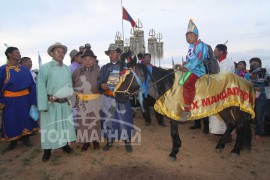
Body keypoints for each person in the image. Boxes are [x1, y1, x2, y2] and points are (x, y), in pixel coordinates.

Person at [37, 42, 76, 162]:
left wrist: (71, 99)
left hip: (64, 103)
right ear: (52, 54)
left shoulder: (66, 69)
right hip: (51, 104)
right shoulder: (45, 68)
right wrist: (43, 105)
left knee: (64, 126)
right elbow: (40, 87)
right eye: (57, 51)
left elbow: (70, 86)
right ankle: (47, 151)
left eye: (62, 52)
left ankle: (65, 146)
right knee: (49, 128)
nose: (61, 54)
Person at [0, 47, 39, 150]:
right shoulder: (3, 69)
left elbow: (31, 86)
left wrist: (32, 100)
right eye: (17, 53)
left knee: (25, 118)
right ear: (10, 54)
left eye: (19, 52)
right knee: (11, 120)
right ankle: (13, 141)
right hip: (10, 100)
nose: (19, 54)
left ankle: (26, 139)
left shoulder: (25, 69)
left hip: (25, 99)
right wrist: (1, 101)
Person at [97, 44, 133, 153]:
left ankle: (127, 142)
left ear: (118, 54)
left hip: (122, 99)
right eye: (110, 53)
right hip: (108, 98)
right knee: (109, 120)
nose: (111, 55)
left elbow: (131, 82)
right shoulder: (105, 67)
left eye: (113, 52)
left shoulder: (126, 67)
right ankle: (109, 141)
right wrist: (101, 84)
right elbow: (99, 80)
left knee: (125, 119)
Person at [178, 19, 208, 121]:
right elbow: (189, 60)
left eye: (190, 35)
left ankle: (187, 110)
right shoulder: (190, 46)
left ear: (196, 36)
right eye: (186, 36)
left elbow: (199, 59)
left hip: (197, 70)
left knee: (187, 83)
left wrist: (187, 67)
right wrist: (183, 65)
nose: (187, 37)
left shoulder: (200, 45)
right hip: (189, 69)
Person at [72, 49, 101, 151]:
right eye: (85, 59)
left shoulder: (99, 71)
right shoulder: (76, 72)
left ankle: (96, 141)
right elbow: (72, 86)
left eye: (90, 59)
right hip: (81, 102)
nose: (88, 61)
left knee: (95, 122)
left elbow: (103, 87)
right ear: (82, 60)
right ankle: (86, 142)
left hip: (95, 101)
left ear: (94, 60)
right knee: (83, 123)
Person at [245, 58, 269, 141]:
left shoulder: (263, 71)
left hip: (261, 96)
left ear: (259, 63)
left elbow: (262, 83)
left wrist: (253, 85)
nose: (252, 63)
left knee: (259, 116)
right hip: (250, 96)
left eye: (254, 61)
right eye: (251, 62)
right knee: (248, 115)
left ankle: (258, 133)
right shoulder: (249, 73)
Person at [142, 53, 165, 126]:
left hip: (153, 91)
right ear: (143, 59)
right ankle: (148, 121)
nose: (147, 59)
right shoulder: (140, 68)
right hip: (143, 91)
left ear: (150, 59)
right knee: (145, 107)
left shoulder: (154, 68)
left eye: (149, 57)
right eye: (146, 57)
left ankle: (160, 122)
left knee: (157, 107)